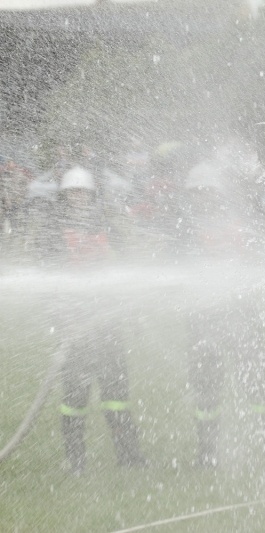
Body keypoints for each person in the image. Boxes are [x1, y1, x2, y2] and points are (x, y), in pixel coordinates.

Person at [181, 157, 265, 467]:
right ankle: (207, 453)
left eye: (206, 191)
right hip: (202, 320)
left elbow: (257, 260)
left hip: (242, 316)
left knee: (258, 386)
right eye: (196, 193)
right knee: (206, 391)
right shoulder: (184, 228)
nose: (202, 198)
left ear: (217, 193)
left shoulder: (237, 224)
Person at [55, 165, 146, 474]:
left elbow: (121, 269)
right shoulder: (55, 231)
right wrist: (62, 319)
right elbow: (50, 279)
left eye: (83, 193)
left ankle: (129, 457)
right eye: (72, 194)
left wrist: (127, 309)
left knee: (116, 395)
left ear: (91, 195)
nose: (78, 198)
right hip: (74, 325)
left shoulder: (105, 226)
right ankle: (75, 459)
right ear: (64, 197)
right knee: (74, 397)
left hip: (107, 324)